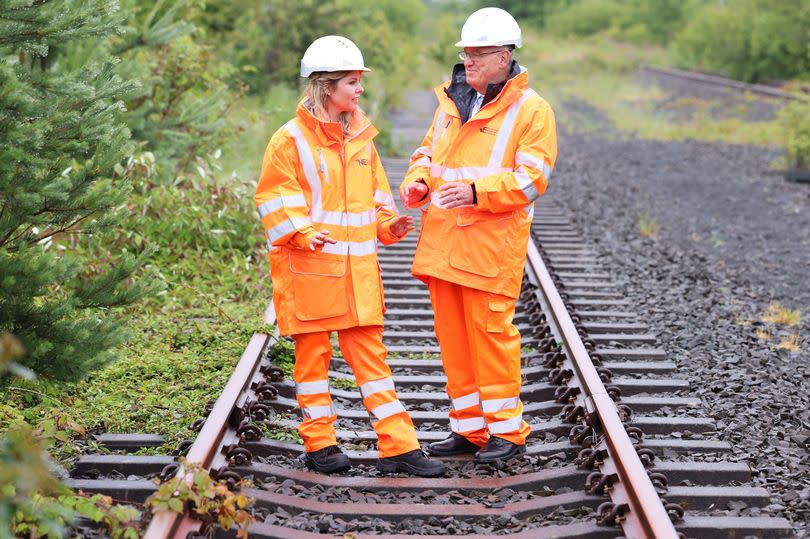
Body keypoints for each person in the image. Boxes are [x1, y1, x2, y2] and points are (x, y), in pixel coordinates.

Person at [254, 35, 445, 478]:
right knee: (313, 359)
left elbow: (376, 196)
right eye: (352, 82)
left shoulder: (361, 139)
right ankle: (320, 443)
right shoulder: (289, 141)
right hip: (311, 271)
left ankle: (399, 446)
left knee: (374, 362)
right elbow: (274, 199)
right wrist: (302, 233)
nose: (360, 90)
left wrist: (387, 224)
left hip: (357, 275)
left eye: (359, 82)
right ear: (326, 87)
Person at [400, 8, 558, 463]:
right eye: (465, 53)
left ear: (505, 56)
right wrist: (419, 181)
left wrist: (474, 191)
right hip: (444, 246)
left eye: (478, 54)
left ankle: (507, 433)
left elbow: (531, 181)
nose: (468, 61)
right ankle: (468, 430)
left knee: (490, 339)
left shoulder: (532, 111)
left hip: (489, 250)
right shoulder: (452, 103)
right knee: (454, 343)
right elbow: (428, 152)